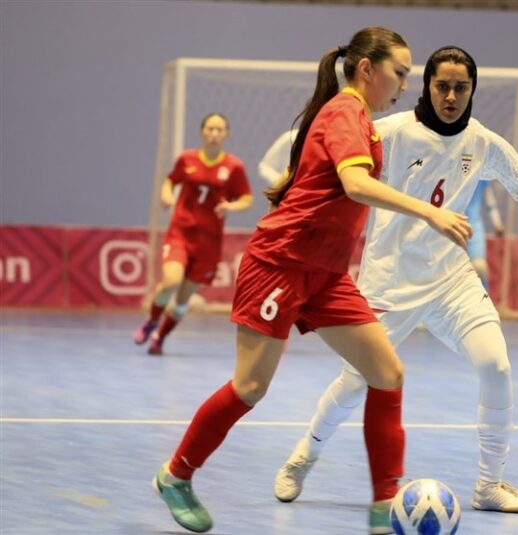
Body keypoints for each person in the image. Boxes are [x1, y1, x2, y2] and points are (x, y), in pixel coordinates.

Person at [273, 46, 518, 515]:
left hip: (451, 281)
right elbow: (339, 164)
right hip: (390, 282)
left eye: (461, 87)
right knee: (356, 382)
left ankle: (489, 484)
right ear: (426, 86)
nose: (452, 96)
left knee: (496, 366)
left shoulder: (481, 142)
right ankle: (303, 456)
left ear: (473, 90)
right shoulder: (391, 132)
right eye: (443, 86)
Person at [151, 28, 472, 535]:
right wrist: (427, 214)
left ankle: (384, 506)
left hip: (325, 274)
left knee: (387, 373)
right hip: (279, 264)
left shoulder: (359, 118)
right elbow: (355, 184)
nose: (406, 85)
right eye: (401, 73)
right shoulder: (346, 111)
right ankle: (176, 475)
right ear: (368, 70)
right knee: (250, 388)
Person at [134, 113, 253, 355]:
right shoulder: (187, 159)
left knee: (182, 299)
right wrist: (166, 195)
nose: (214, 134)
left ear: (226, 134)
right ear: (202, 131)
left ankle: (160, 337)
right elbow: (170, 181)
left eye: (220, 130)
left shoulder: (234, 166)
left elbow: (246, 198)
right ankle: (152, 320)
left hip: (208, 242)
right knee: (171, 282)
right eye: (210, 128)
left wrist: (231, 206)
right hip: (181, 232)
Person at [466, 181, 504, 289]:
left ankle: (484, 300)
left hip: (474, 228)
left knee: (480, 267)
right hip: (451, 226)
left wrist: (497, 223)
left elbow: (490, 201)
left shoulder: (481, 176)